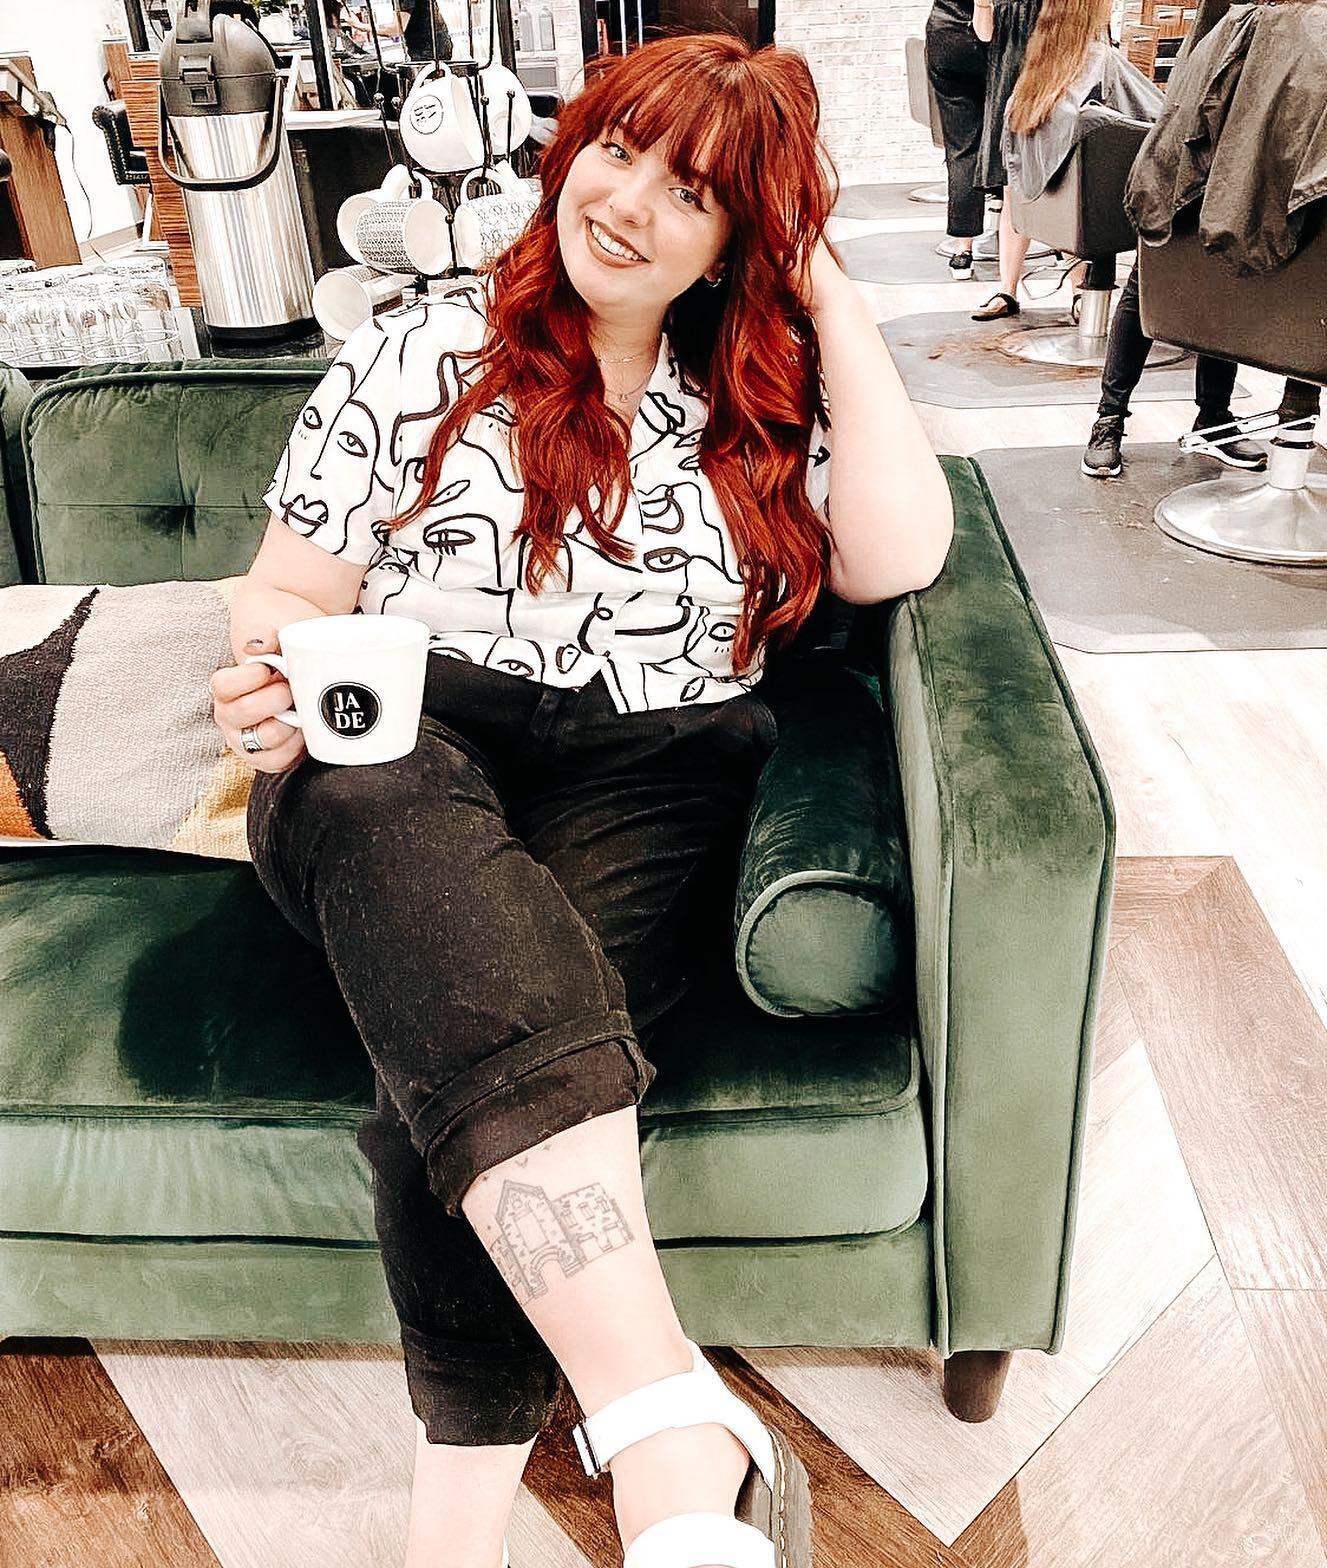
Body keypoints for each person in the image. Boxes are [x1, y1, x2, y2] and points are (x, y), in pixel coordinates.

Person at [210, 32, 953, 1568]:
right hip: (399, 738)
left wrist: (833, 300)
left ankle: (459, 1539)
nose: (625, 202)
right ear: (569, 151)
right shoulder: (422, 346)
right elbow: (285, 589)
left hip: (656, 762)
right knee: (389, 824)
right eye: (615, 150)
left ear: (735, 242)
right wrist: (265, 671)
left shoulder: (763, 391)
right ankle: (663, 1426)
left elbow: (894, 557)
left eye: (690, 192)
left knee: (473, 1056)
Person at [1081, 0, 1267, 478]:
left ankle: (1214, 418)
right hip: (1191, 143)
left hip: (1251, 156)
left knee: (1225, 289)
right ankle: (1109, 417)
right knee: (1147, 287)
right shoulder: (1229, 16)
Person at [970, 0, 1044, 317]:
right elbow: (985, 34)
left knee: (1068, 187)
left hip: (1060, 74)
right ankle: (1007, 291)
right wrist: (982, 4)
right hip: (1011, 80)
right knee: (1013, 187)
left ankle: (1080, 291)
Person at [925, 0, 991, 280]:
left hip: (946, 33)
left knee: (961, 149)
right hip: (994, 37)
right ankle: (1019, 232)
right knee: (1010, 142)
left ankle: (963, 250)